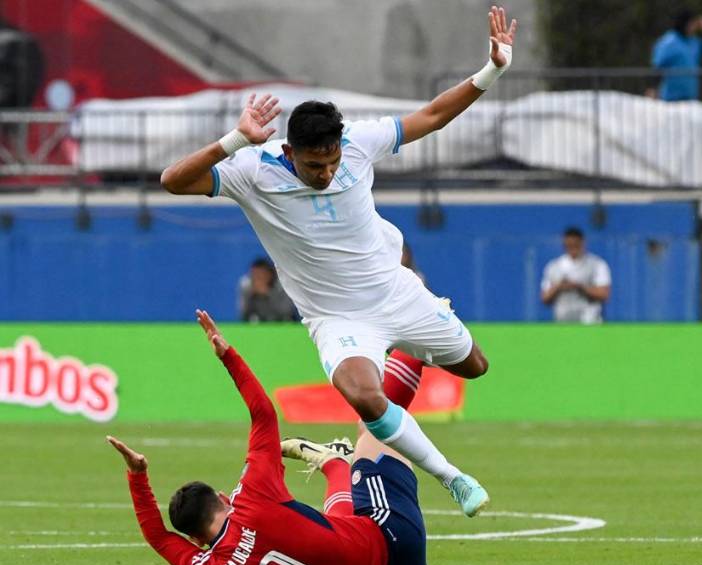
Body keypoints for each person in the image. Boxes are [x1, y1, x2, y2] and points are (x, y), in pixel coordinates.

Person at [159, 6, 519, 517]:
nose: (325, 172)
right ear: (289, 150)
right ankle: (454, 478)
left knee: (475, 367)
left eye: (331, 162)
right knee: (364, 398)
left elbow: (433, 115)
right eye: (313, 165)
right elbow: (172, 181)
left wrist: (493, 71)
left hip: (396, 290)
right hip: (337, 318)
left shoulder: (358, 144)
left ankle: (409, 341)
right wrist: (236, 139)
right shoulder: (252, 173)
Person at [107, 310, 429, 565]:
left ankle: (335, 466)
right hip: (394, 544)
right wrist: (227, 356)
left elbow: (159, 538)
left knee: (335, 526)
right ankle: (425, 325)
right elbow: (263, 415)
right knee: (372, 426)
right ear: (222, 498)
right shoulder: (252, 495)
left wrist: (137, 477)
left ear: (194, 540)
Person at [541, 227, 611, 324]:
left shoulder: (597, 264)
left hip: (590, 323)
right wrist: (559, 286)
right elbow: (545, 298)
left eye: (576, 245)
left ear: (583, 243)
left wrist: (580, 287)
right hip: (563, 324)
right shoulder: (554, 266)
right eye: (569, 245)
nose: (573, 248)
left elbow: (604, 294)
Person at [651, 9, 702, 102]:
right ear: (683, 23)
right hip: (670, 98)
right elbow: (658, 66)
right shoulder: (669, 42)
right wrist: (652, 88)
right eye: (691, 23)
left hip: (690, 97)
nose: (694, 27)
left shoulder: (693, 42)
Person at [237, 258, 297, 322]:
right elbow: (243, 314)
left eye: (261, 275)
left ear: (270, 274)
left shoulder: (282, 284)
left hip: (281, 321)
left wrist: (268, 293)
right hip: (258, 322)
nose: (258, 278)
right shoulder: (246, 286)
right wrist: (251, 295)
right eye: (255, 275)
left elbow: (287, 311)